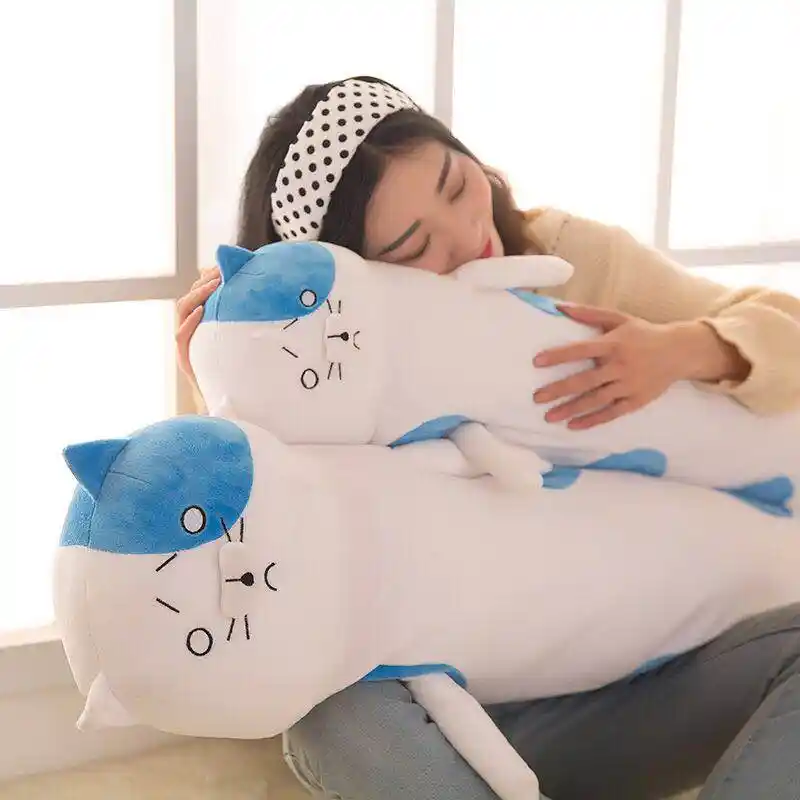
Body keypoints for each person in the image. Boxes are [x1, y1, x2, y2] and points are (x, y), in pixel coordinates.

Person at [176, 76, 800, 800]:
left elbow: (783, 330)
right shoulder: (334, 363)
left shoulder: (567, 255)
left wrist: (681, 348)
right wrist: (221, 381)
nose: (467, 233)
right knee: (329, 713)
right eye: (415, 247)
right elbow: (247, 559)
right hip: (464, 719)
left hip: (643, 680)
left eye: (454, 184)